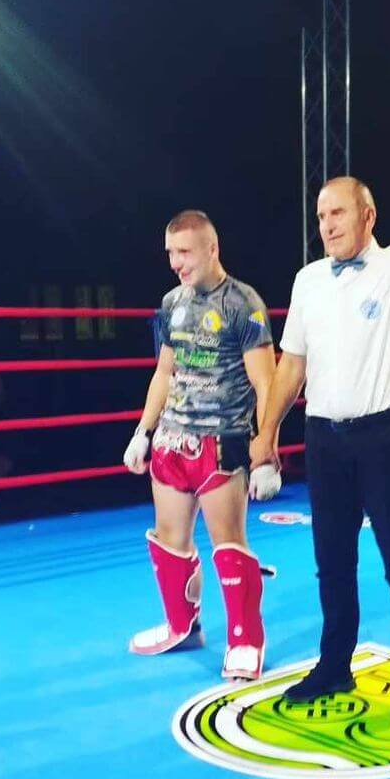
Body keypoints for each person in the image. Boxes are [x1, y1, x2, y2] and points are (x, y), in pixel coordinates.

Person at [251, 168, 390, 728]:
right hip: (324, 438)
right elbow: (292, 366)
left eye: (338, 212)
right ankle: (335, 664)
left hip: (386, 436)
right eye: (321, 215)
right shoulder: (308, 280)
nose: (327, 225)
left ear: (367, 216)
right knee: (332, 562)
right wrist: (265, 435)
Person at [123, 210, 280, 681]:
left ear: (212, 249)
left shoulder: (243, 303)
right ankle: (182, 626)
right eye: (171, 253)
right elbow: (164, 373)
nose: (176, 262)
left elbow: (266, 383)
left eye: (185, 252)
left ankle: (246, 639)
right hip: (172, 440)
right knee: (169, 542)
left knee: (229, 544)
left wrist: (266, 451)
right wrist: (143, 431)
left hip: (221, 442)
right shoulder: (171, 302)